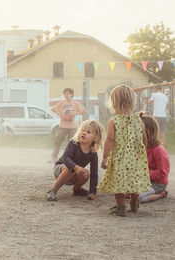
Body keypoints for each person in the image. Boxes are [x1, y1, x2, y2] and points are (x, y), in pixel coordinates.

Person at [98, 85, 151, 216]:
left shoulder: (114, 121)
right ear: (132, 101)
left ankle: (120, 207)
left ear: (113, 102)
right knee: (135, 181)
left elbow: (110, 139)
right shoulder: (138, 119)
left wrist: (105, 157)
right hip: (136, 157)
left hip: (119, 158)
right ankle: (134, 204)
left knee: (119, 182)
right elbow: (144, 137)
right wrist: (142, 152)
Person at [46, 119, 104, 201]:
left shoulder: (92, 152)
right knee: (71, 168)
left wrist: (92, 192)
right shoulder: (74, 143)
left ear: (95, 137)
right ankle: (52, 191)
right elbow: (65, 158)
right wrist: (76, 167)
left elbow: (94, 173)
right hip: (60, 170)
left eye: (88, 132)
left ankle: (77, 190)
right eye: (82, 130)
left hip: (74, 174)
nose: (84, 133)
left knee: (86, 173)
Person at [139, 113, 170, 203]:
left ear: (147, 132)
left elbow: (162, 173)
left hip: (158, 184)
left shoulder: (159, 150)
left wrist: (144, 174)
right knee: (126, 191)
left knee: (139, 197)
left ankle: (161, 194)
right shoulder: (143, 147)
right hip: (147, 180)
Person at [50, 88, 87, 162]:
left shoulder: (75, 103)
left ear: (72, 94)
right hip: (63, 125)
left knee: (73, 143)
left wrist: (76, 113)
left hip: (72, 126)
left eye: (67, 94)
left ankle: (72, 158)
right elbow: (53, 109)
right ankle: (54, 157)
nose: (66, 96)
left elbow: (84, 111)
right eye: (65, 94)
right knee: (58, 141)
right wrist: (60, 113)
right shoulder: (62, 103)